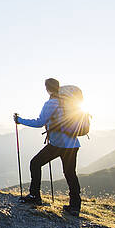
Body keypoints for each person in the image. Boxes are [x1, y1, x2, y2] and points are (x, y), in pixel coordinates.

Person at [14, 77, 82, 216]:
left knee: (35, 163)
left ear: (47, 89)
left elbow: (39, 122)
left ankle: (35, 196)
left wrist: (19, 120)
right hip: (73, 144)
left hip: (58, 144)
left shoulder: (51, 103)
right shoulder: (68, 103)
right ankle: (75, 205)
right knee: (70, 174)